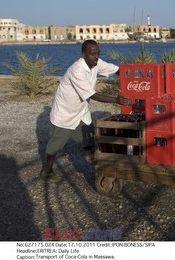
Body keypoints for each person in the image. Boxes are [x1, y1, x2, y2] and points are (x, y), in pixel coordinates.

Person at [41, 39, 129, 182]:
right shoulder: (77, 70)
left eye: (98, 53)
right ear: (83, 54)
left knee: (91, 140)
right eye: (92, 54)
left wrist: (131, 72)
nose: (96, 57)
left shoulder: (96, 63)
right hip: (64, 114)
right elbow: (92, 95)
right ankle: (47, 171)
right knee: (54, 148)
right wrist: (116, 100)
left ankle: (100, 169)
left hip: (81, 112)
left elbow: (115, 70)